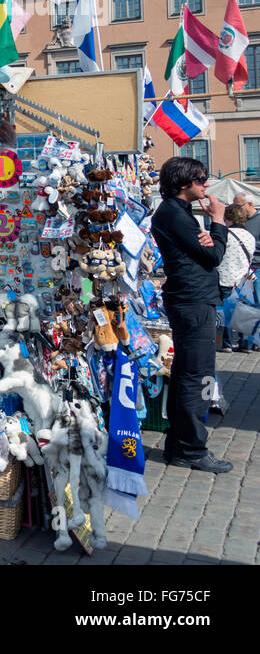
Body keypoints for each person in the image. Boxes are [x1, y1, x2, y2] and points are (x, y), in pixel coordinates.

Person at [150, 156, 231, 473]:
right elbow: (213, 256)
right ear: (184, 183)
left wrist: (211, 234)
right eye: (201, 179)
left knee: (186, 373)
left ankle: (179, 444)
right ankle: (192, 448)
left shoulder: (178, 213)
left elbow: (206, 251)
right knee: (197, 375)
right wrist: (219, 221)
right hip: (192, 302)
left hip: (192, 300)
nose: (206, 184)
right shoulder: (174, 214)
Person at [218, 203, 256, 352]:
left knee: (227, 312)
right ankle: (245, 344)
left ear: (229, 219)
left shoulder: (224, 235)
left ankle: (227, 345)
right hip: (245, 278)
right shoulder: (250, 237)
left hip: (226, 277)